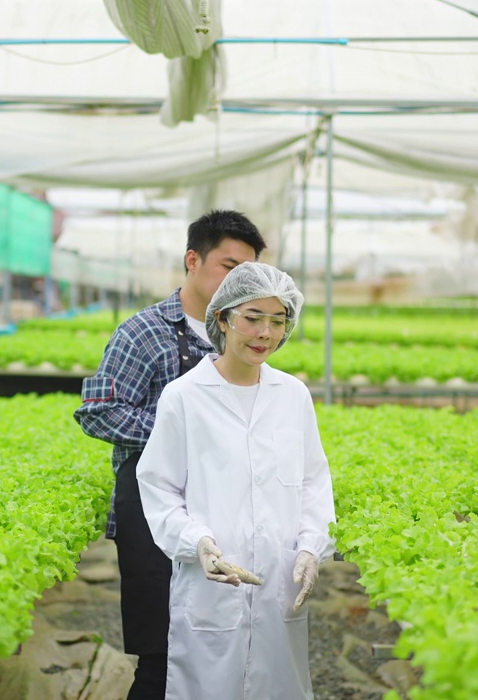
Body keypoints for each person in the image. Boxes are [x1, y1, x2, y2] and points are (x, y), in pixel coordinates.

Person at [74, 210, 267, 700]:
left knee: (226, 648)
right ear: (192, 259)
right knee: (162, 659)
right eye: (228, 266)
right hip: (153, 516)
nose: (238, 280)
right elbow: (99, 412)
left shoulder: (244, 335)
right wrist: (183, 436)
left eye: (248, 271)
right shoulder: (144, 332)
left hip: (226, 510)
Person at [136, 262, 336, 700]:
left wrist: (309, 547)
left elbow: (313, 484)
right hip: (210, 591)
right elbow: (159, 488)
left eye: (278, 321)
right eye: (252, 318)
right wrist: (197, 543)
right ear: (223, 319)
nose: (265, 333)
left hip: (276, 587)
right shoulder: (185, 397)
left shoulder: (293, 396)